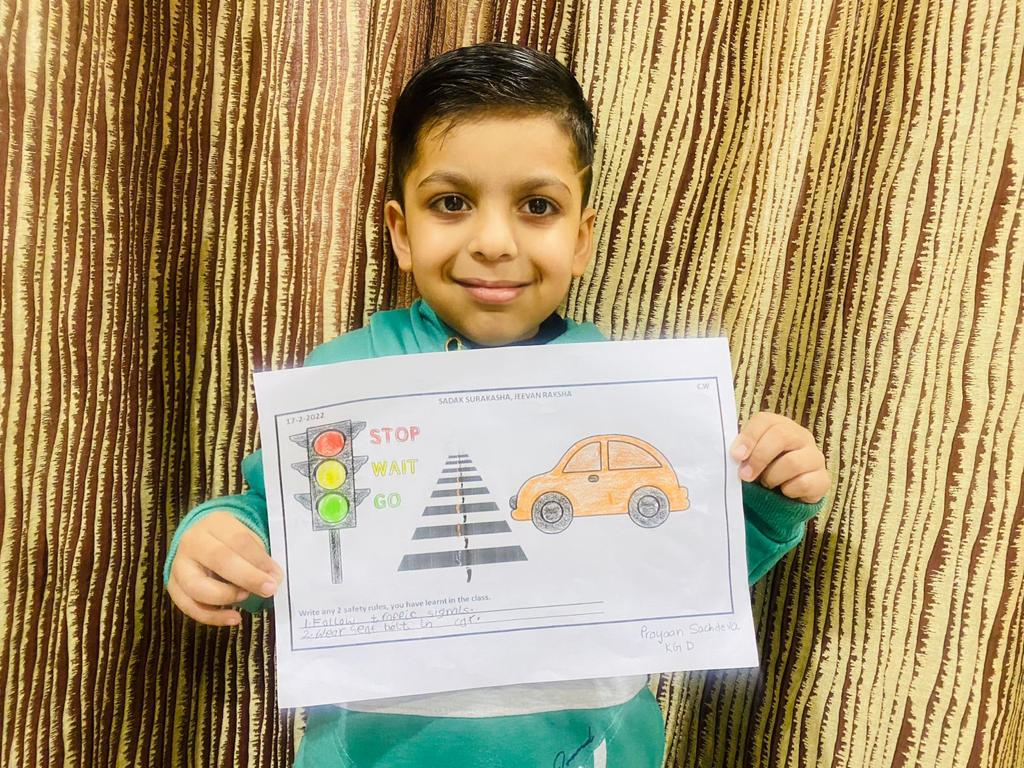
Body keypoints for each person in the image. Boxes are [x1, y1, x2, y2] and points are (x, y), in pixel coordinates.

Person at [164, 41, 830, 767]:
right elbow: (281, 532)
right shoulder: (342, 377)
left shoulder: (627, 391)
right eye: (451, 203)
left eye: (537, 207)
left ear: (581, 240)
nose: (492, 242)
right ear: (401, 233)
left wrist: (766, 500)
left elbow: (682, 570)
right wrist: (218, 541)